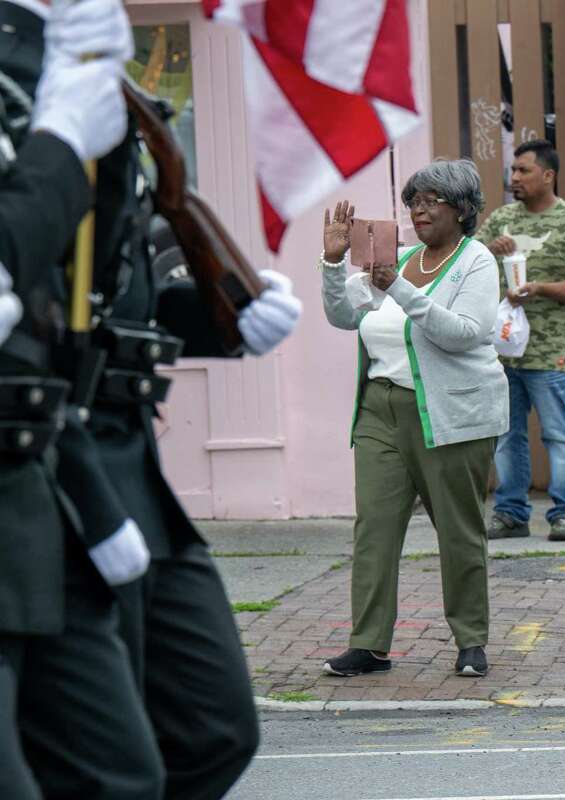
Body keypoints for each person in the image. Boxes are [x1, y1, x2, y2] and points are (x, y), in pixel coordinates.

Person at [4, 2, 304, 793]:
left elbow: (103, 290)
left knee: (211, 730)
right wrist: (60, 145)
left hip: (119, 453)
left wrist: (218, 322)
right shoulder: (24, 73)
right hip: (51, 461)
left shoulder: (80, 66)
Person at [0, 1, 164, 797]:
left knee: (125, 774)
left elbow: (79, 294)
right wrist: (61, 147)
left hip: (41, 475)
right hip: (44, 469)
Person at [320, 160, 508, 680]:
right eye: (413, 202)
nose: (419, 210)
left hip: (453, 410)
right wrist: (334, 265)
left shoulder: (477, 262)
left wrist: (399, 287)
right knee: (374, 529)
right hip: (380, 407)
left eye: (432, 201)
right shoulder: (397, 257)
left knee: (459, 530)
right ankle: (368, 643)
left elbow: (464, 332)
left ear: (463, 209)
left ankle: (471, 640)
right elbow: (343, 316)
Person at [476, 140, 565, 542]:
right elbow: (466, 262)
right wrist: (486, 250)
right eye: (512, 171)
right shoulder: (500, 221)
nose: (514, 178)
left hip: (549, 352)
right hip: (502, 352)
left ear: (548, 175)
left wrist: (541, 288)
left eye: (523, 171)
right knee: (506, 435)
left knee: (557, 433)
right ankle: (511, 513)